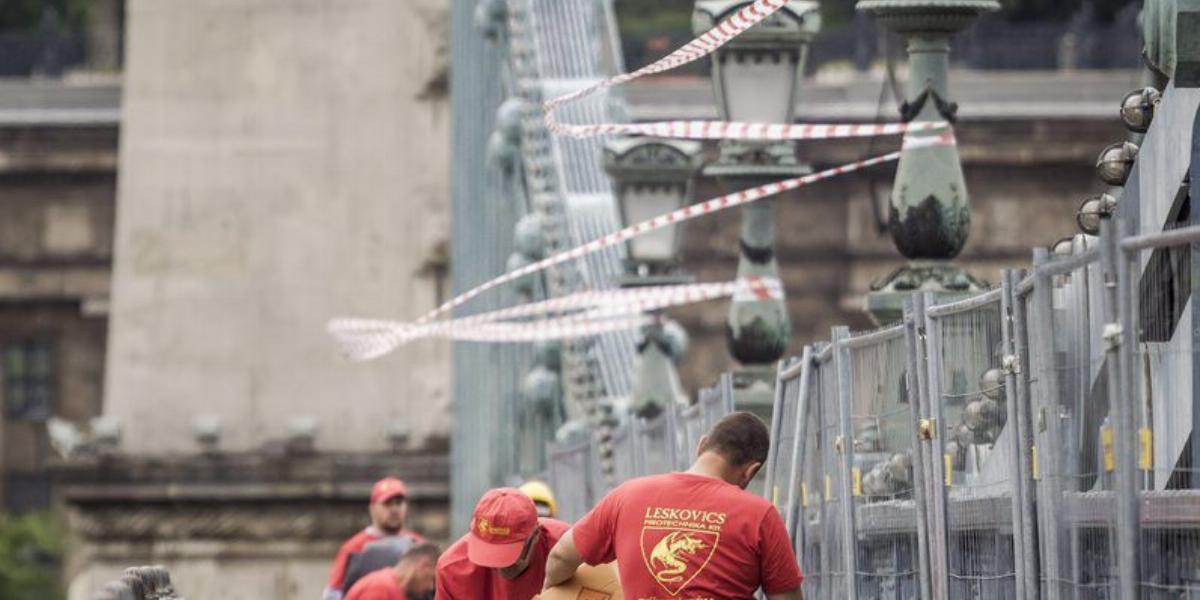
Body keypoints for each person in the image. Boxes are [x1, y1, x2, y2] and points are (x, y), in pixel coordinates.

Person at [542, 411, 804, 600]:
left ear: (701, 445)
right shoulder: (760, 515)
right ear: (750, 471)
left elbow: (560, 556)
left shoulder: (628, 495)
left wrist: (554, 592)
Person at [436, 487, 570, 599]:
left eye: (507, 555)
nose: (499, 566)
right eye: (488, 554)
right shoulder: (453, 569)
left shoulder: (565, 549)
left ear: (535, 536)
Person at [325, 477, 424, 600]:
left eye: (398, 503)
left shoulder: (418, 545)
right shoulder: (354, 548)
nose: (394, 509)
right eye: (387, 503)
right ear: (372, 508)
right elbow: (333, 593)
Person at [345, 542, 441, 600]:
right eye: (432, 579)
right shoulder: (380, 589)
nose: (431, 587)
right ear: (422, 566)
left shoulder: (396, 590)